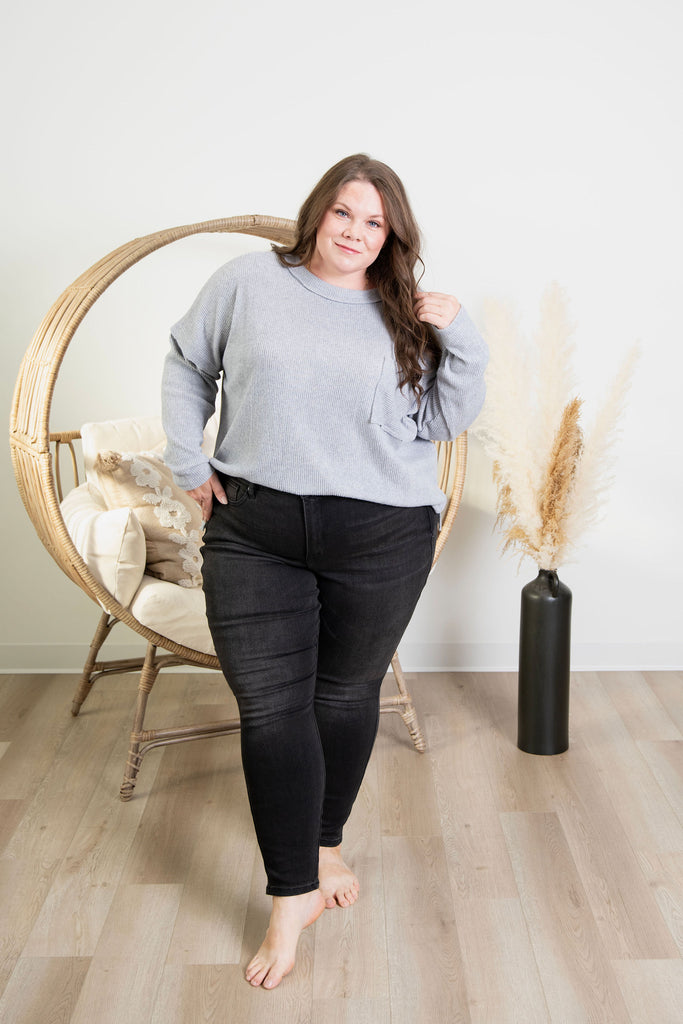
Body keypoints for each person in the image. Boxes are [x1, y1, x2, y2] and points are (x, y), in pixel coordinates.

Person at [161, 153, 488, 989]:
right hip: (255, 529)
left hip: (381, 534)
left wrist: (463, 337)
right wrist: (186, 460)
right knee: (271, 710)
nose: (355, 232)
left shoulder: (406, 309)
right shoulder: (248, 282)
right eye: (345, 212)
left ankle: (324, 843)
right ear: (317, 212)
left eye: (375, 222)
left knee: (344, 696)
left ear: (392, 236)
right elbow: (187, 363)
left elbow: (443, 420)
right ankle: (291, 895)